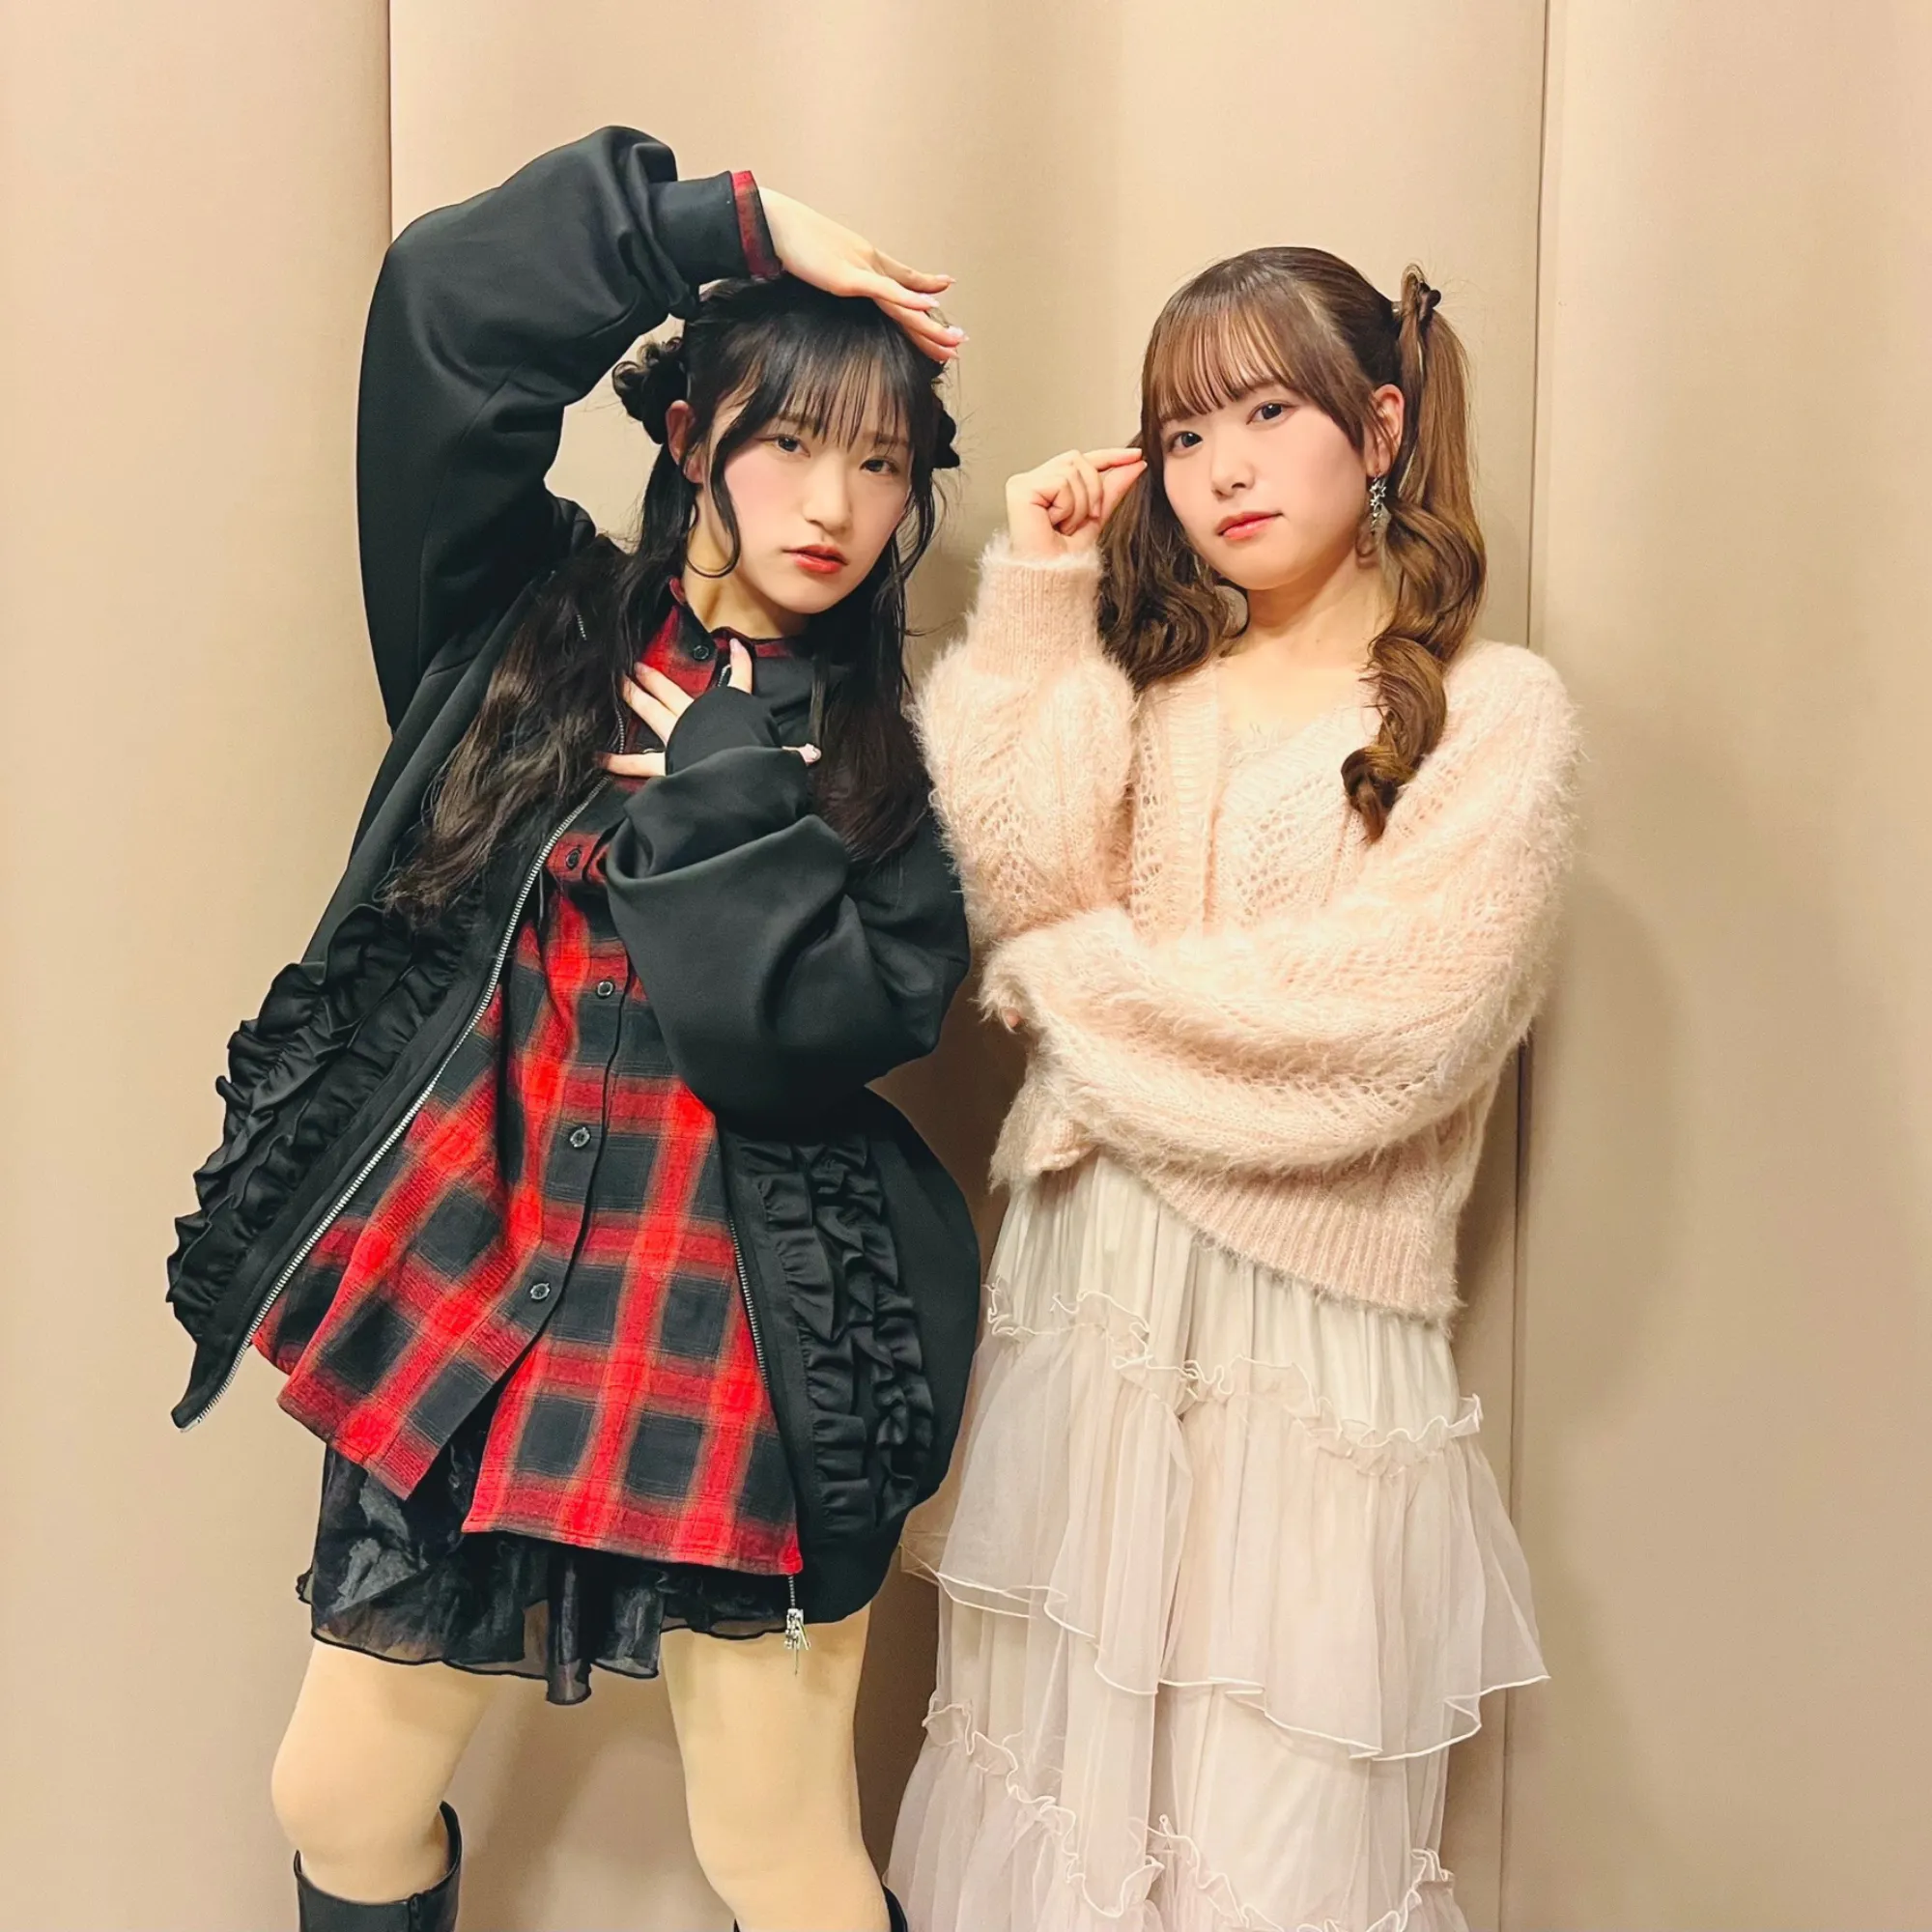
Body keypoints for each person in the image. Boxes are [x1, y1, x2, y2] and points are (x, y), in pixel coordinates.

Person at [165, 126, 980, 1932]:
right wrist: (717, 223)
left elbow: (825, 1032)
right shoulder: (519, 621)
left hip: (733, 1328)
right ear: (688, 440)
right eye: (787, 441)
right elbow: (442, 315)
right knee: (339, 1794)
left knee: (774, 1848)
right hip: (470, 1275)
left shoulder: (894, 765)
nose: (832, 504)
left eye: (878, 462)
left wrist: (725, 795)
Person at [890, 247, 1579, 1930]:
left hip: (1309, 1342)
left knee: (1279, 1848)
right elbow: (1006, 878)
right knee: (1047, 1816)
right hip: (1089, 1309)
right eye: (1188, 434)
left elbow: (1391, 1032)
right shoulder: (1148, 691)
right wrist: (1041, 592)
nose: (1226, 470)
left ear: (1383, 425)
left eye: (1270, 414)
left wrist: (1076, 996)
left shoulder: (1493, 714)